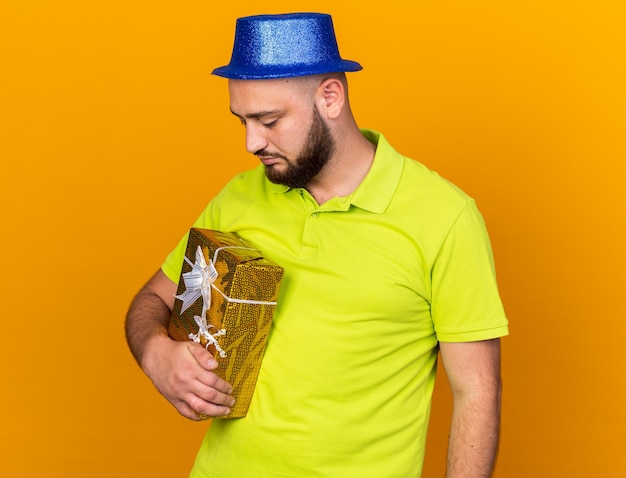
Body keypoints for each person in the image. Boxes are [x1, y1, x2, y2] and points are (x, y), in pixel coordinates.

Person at [125, 12, 509, 478]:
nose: (251, 141)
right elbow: (153, 299)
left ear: (330, 96)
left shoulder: (444, 218)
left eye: (269, 120)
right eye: (242, 120)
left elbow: (477, 393)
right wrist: (155, 354)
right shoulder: (236, 198)